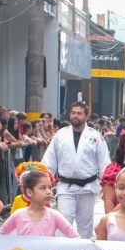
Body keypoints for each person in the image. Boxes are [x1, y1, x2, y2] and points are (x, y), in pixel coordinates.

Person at [42, 102, 110, 237]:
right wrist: (44, 181)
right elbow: (49, 160)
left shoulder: (95, 136)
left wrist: (106, 184)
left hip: (88, 186)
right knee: (63, 223)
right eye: (73, 113)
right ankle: (63, 249)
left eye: (79, 113)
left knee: (85, 225)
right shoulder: (61, 135)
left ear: (86, 116)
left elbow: (104, 162)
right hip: (66, 186)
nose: (75, 116)